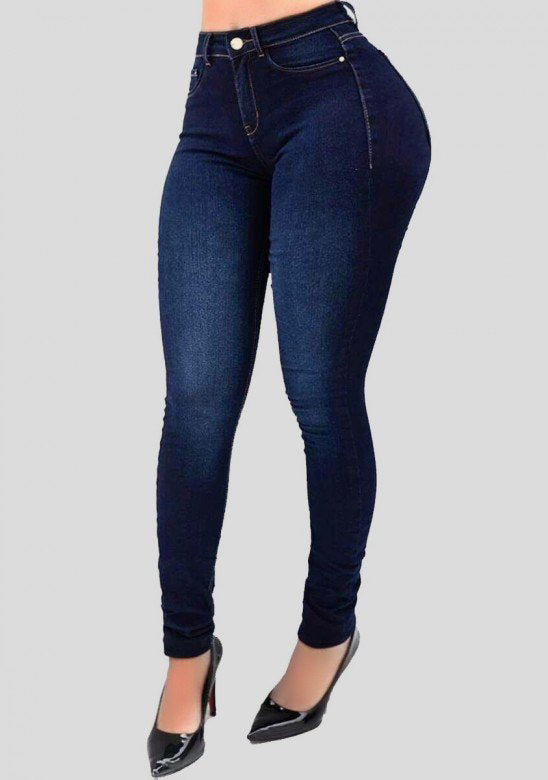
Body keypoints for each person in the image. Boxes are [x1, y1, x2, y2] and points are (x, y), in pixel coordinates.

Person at [148, 1, 430, 773]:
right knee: (195, 407)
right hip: (211, 98)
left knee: (321, 396)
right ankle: (186, 652)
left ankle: (327, 634)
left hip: (334, 92)